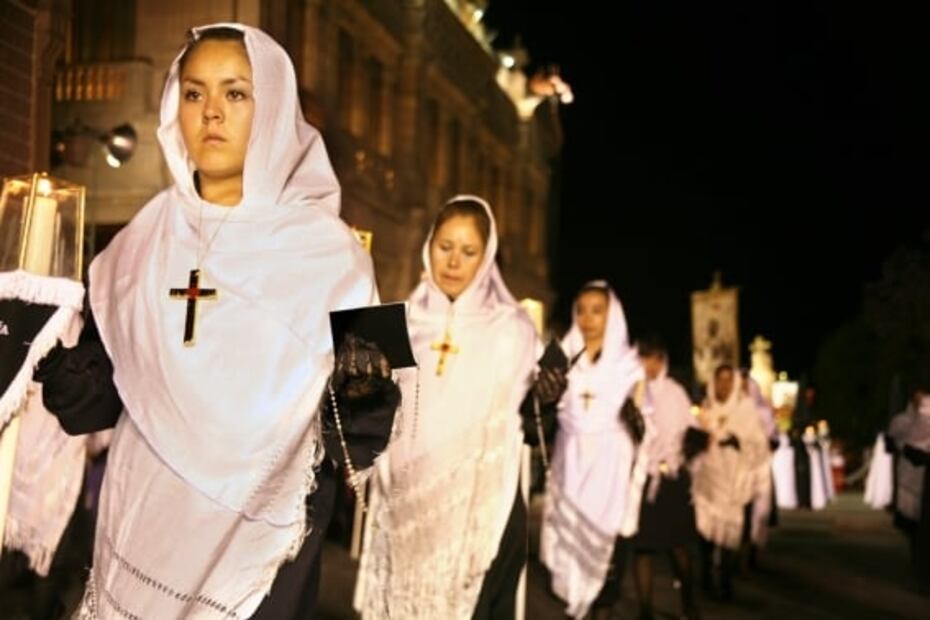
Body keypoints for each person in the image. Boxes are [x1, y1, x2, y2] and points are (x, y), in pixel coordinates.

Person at [33, 24, 399, 618]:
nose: (210, 114)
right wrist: (63, 375)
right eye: (194, 92)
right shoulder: (134, 243)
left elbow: (380, 417)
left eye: (235, 94)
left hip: (263, 553)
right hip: (144, 526)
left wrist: (365, 391)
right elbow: (102, 402)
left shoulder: (342, 254)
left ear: (274, 108)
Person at [354, 196, 565, 619]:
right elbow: (364, 423)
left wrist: (545, 398)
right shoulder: (399, 323)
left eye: (468, 252)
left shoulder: (513, 331)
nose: (453, 261)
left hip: (479, 513)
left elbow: (530, 426)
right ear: (428, 246)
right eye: (444, 246)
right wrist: (355, 383)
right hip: (404, 511)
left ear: (486, 258)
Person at [540, 281, 643, 619]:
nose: (588, 318)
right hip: (571, 464)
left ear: (612, 315)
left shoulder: (628, 366)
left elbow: (643, 427)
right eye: (581, 310)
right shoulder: (561, 357)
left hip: (610, 469)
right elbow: (540, 411)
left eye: (597, 310)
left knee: (606, 568)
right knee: (570, 557)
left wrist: (636, 422)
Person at [628, 334, 701, 620]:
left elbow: (686, 430)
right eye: (640, 358)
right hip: (641, 479)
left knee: (677, 547)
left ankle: (689, 602)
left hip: (670, 479)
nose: (643, 364)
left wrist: (679, 450)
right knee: (641, 549)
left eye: (648, 358)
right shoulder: (633, 390)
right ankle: (645, 611)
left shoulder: (674, 392)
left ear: (660, 360)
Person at [692, 365, 768, 601]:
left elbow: (760, 444)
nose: (723, 386)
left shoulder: (746, 409)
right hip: (708, 478)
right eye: (719, 380)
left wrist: (739, 442)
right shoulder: (706, 407)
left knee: (729, 531)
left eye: (728, 380)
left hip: (734, 478)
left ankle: (725, 580)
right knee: (705, 529)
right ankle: (705, 575)